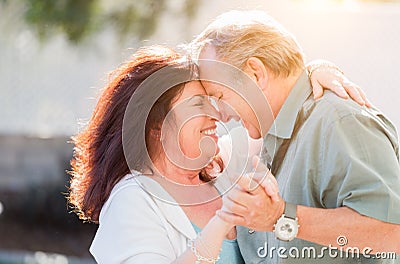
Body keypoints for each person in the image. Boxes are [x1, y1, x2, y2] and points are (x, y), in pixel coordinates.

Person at [67, 43, 366, 263]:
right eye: (198, 105)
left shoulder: (222, 165)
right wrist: (223, 220)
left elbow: (277, 112)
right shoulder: (131, 202)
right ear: (155, 124)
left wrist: (315, 70)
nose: (217, 116)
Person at [192, 10, 400, 263]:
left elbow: (392, 231)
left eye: (220, 97)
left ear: (256, 73)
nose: (221, 115)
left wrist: (280, 217)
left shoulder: (339, 122)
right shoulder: (263, 142)